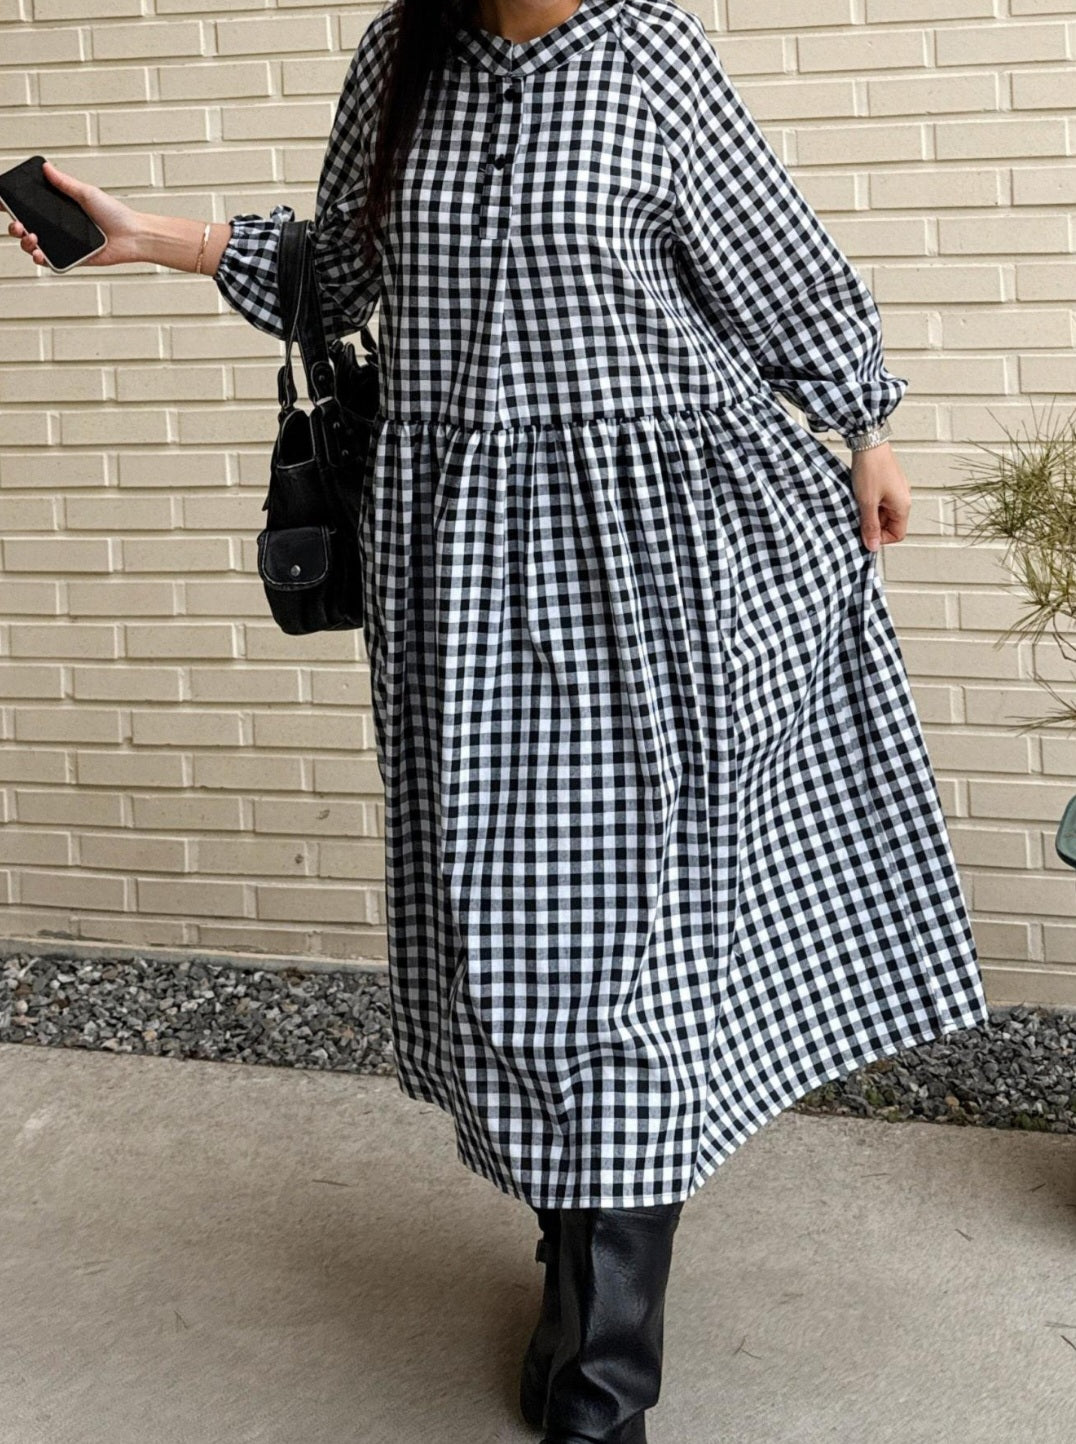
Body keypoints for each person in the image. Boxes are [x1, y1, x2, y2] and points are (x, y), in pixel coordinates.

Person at [5, 1, 991, 1439]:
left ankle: (603, 1373)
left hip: (656, 560)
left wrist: (868, 428)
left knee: (633, 948)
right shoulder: (402, 57)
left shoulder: (652, 56)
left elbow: (779, 268)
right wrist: (143, 235)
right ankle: (577, 1271)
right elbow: (340, 272)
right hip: (459, 574)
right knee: (523, 933)